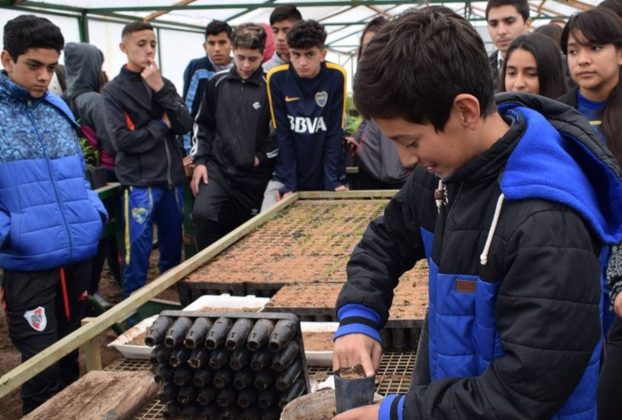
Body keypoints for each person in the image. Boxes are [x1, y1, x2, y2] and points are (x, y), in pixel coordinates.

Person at [332, 6, 622, 420]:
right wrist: (359, 316)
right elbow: (385, 240)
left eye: (410, 142)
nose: (404, 160)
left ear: (465, 111)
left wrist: (397, 413)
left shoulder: (546, 220)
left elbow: (524, 391)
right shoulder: (443, 173)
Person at [0, 15, 107, 414]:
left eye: (51, 66)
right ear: (6, 58)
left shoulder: (58, 107)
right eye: (33, 65)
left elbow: (77, 173)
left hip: (77, 254)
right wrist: (12, 232)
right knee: (39, 368)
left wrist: (90, 212)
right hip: (29, 264)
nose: (45, 76)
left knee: (71, 359)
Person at [556, 8, 622, 420]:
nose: (582, 59)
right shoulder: (554, 116)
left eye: (595, 48)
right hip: (569, 255)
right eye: (573, 50)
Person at [102, 21, 192, 297]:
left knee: (172, 246)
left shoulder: (162, 83)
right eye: (141, 44)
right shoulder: (113, 92)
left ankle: (169, 301)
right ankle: (134, 307)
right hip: (140, 182)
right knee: (138, 251)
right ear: (123, 47)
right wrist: (162, 126)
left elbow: (185, 123)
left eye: (152, 44)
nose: (148, 50)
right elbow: (122, 141)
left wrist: (161, 89)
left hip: (171, 179)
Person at [190, 24, 272, 250]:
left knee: (250, 235)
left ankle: (248, 283)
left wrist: (261, 157)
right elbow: (202, 124)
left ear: (263, 55)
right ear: (234, 51)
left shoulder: (271, 86)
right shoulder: (217, 82)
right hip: (218, 171)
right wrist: (200, 161)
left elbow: (280, 132)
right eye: (241, 57)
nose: (246, 65)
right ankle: (208, 279)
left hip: (254, 178)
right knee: (203, 215)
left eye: (253, 59)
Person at [260, 20, 348, 211]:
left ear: (322, 54)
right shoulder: (276, 78)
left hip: (328, 173)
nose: (302, 62)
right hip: (287, 173)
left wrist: (332, 181)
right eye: (296, 54)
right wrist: (290, 184)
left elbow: (334, 133)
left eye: (309, 54)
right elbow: (283, 135)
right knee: (268, 225)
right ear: (289, 53)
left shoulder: (336, 76)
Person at [65, 42, 121, 308]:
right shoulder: (93, 100)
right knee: (106, 231)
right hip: (106, 173)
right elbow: (111, 138)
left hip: (82, 175)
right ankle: (94, 290)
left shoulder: (67, 99)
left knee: (91, 231)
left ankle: (87, 289)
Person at [345, 16, 412, 190]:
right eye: (366, 47)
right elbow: (367, 122)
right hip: (371, 168)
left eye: (376, 46)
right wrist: (356, 139)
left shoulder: (409, 81)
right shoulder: (362, 83)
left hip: (404, 172)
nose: (369, 53)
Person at [182, 20, 233, 156]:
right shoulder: (196, 67)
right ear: (205, 46)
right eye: (211, 43)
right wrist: (189, 151)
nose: (217, 48)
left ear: (232, 44)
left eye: (222, 42)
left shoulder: (240, 69)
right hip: (201, 146)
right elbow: (187, 111)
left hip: (231, 149)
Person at [498, 33, 567, 98]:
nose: (518, 84)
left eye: (530, 74)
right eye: (512, 73)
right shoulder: (493, 109)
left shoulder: (571, 109)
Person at [486, 0, 532, 87]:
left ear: (527, 24)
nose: (501, 31)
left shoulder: (554, 63)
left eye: (509, 21)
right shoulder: (482, 70)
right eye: (494, 24)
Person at [262, 5, 303, 72]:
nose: (280, 38)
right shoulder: (265, 71)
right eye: (275, 31)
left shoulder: (312, 68)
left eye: (286, 31)